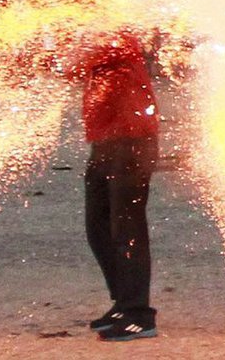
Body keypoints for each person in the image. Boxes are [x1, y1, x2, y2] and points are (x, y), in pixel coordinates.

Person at [68, 29, 160, 341]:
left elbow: (74, 63)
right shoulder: (95, 30)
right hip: (105, 141)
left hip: (132, 140)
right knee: (98, 226)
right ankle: (122, 302)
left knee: (127, 227)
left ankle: (139, 314)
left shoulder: (115, 31)